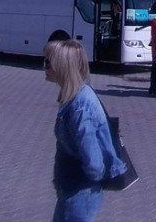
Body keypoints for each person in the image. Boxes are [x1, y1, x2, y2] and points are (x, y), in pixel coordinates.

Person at [44, 40, 126, 222]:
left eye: (47, 62)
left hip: (79, 191)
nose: (44, 67)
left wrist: (78, 180)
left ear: (62, 66)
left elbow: (94, 163)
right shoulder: (72, 96)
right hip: (72, 188)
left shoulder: (80, 105)